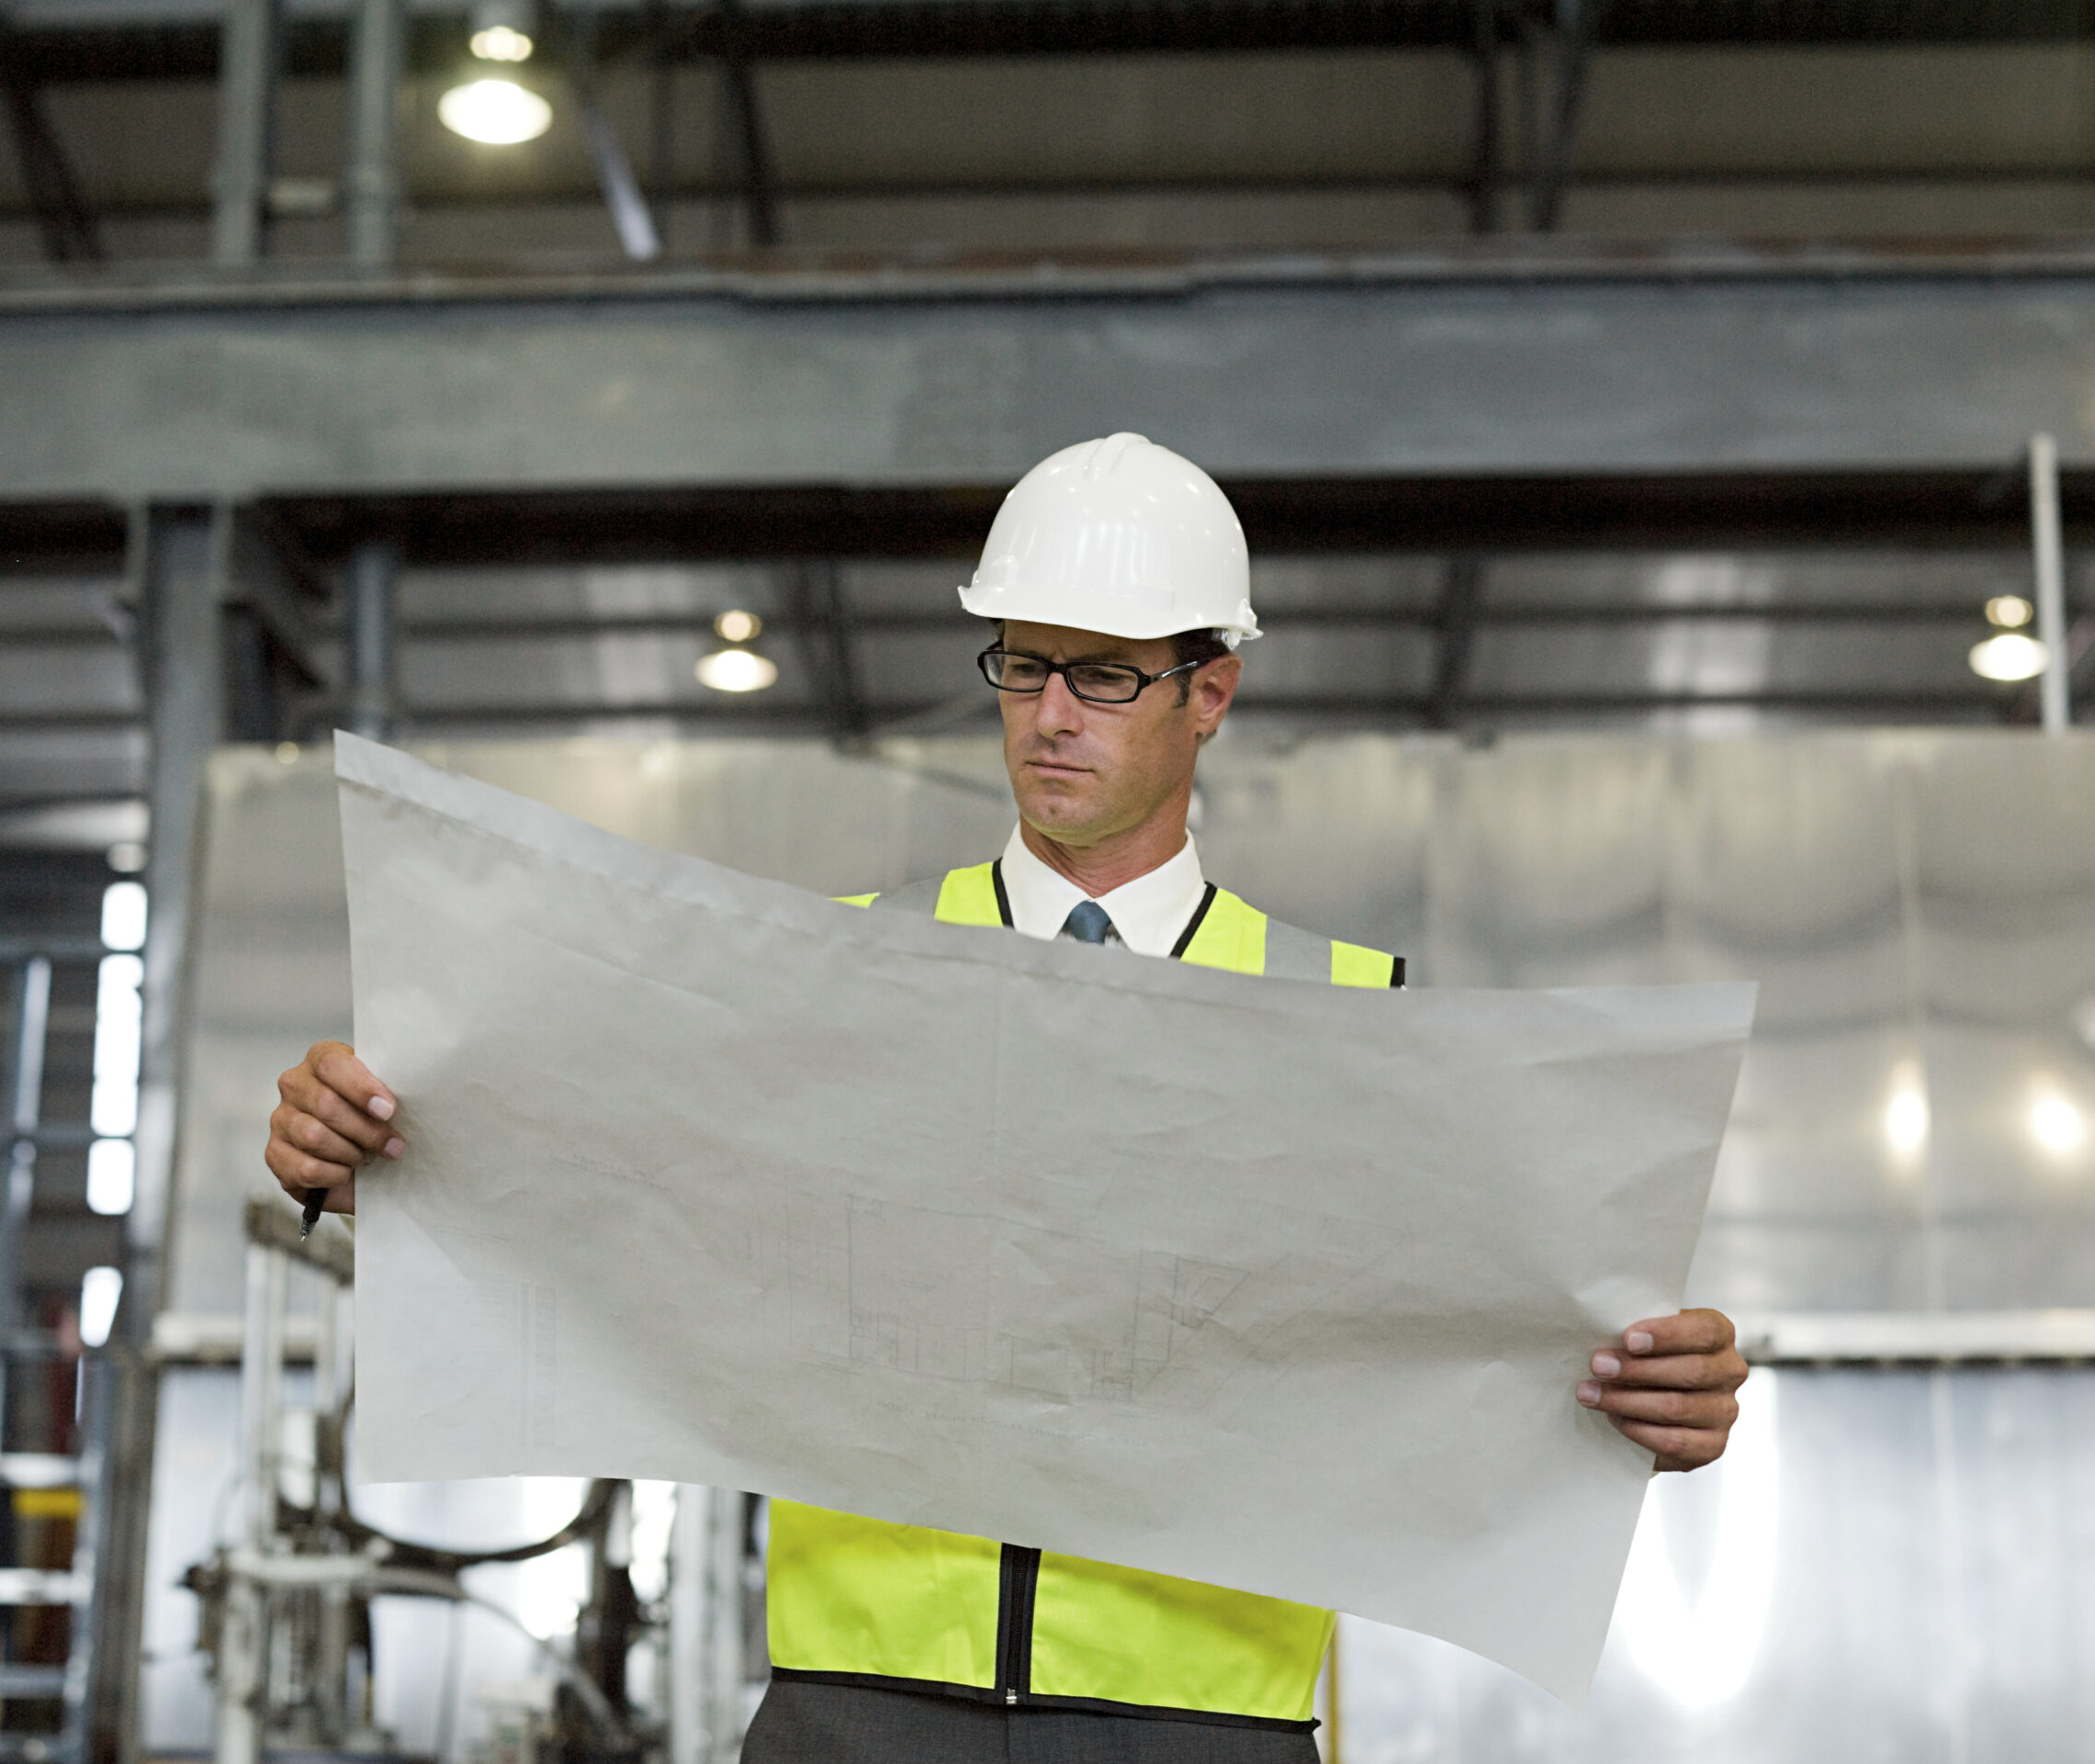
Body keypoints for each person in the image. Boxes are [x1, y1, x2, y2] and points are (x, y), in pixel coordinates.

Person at [265, 433, 1749, 1761]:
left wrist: (1653, 1398)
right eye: (1025, 665)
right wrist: (369, 1160)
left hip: (1201, 1728)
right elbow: (620, 1182)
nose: (1051, 714)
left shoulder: (1355, 1022)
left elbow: (1485, 1343)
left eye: (1104, 675)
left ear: (1208, 690)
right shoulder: (840, 971)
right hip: (854, 1709)